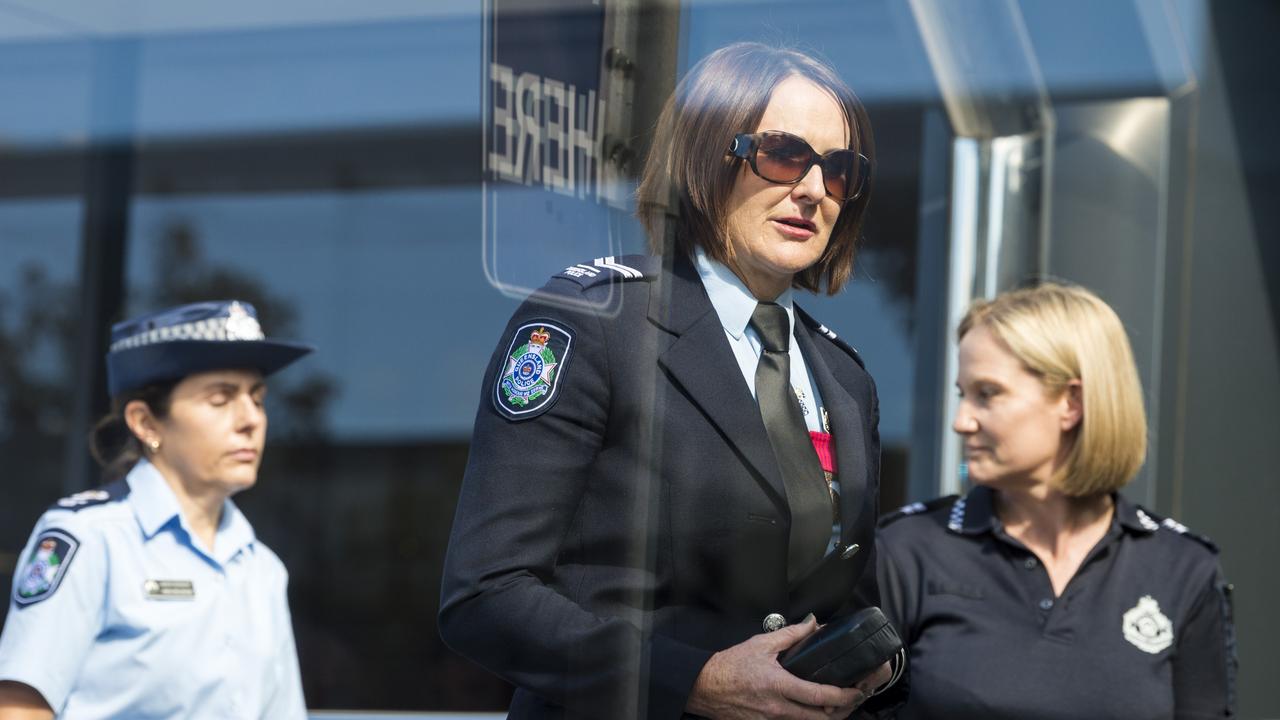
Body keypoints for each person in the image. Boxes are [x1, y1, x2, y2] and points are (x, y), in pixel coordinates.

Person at [440, 42, 904, 719]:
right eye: (782, 155)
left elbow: (838, 596)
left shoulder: (843, 377)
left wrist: (872, 660)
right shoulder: (595, 324)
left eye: (839, 171)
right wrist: (694, 680)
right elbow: (485, 594)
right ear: (707, 157)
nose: (811, 189)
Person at [877, 282, 1238, 719]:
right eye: (962, 394)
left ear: (1071, 403)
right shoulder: (907, 550)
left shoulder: (1182, 568)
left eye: (987, 394)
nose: (961, 421)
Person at [0, 300, 312, 719]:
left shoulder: (263, 569)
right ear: (146, 423)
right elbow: (19, 709)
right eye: (221, 399)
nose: (250, 419)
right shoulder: (92, 538)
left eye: (257, 399)